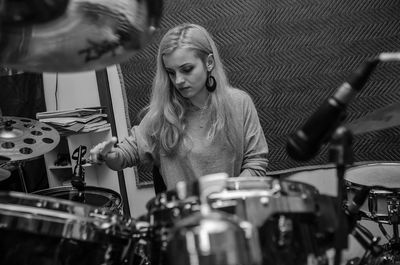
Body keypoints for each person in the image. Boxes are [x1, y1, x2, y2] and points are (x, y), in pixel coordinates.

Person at [89, 23, 269, 191]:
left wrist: (226, 194)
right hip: (184, 219)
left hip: (230, 212)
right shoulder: (162, 114)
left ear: (209, 62)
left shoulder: (240, 103)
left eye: (187, 69)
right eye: (171, 73)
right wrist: (110, 156)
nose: (179, 80)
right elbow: (125, 155)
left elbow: (256, 163)